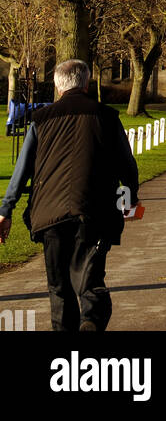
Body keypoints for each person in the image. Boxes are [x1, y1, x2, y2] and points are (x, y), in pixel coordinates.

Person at [0, 59, 140, 332]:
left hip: (48, 213)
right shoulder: (107, 116)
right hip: (94, 211)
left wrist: (6, 210)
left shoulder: (41, 119)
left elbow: (22, 169)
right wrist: (128, 202)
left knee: (59, 286)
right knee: (91, 281)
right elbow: (127, 167)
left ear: (56, 85)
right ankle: (91, 321)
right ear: (86, 83)